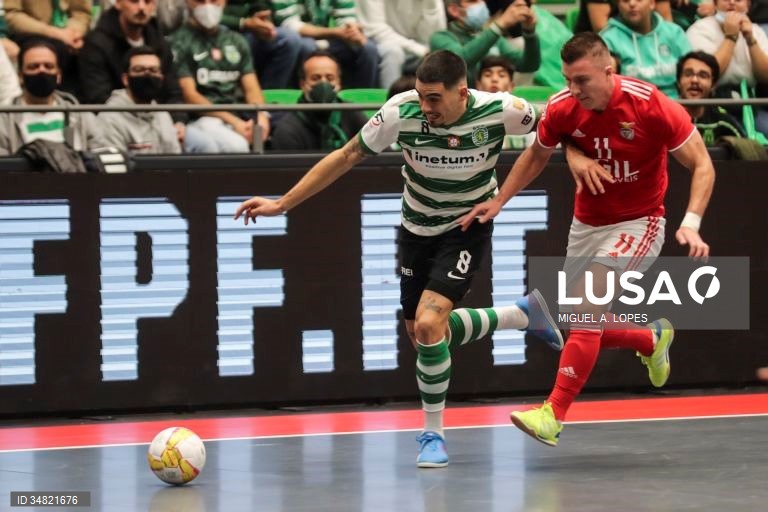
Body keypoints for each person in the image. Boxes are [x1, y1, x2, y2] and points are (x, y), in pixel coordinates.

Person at [234, 49, 564, 468]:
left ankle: (433, 435)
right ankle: (519, 315)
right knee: (423, 335)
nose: (425, 107)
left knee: (429, 325)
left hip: (467, 226)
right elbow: (346, 156)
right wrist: (283, 204)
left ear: (462, 93)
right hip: (416, 230)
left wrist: (581, 159)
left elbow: (560, 128)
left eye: (434, 98)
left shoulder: (503, 110)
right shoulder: (400, 111)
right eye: (421, 96)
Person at [459, 32, 715, 447]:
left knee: (586, 310)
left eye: (582, 80)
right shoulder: (564, 106)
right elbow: (536, 153)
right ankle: (650, 338)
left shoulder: (649, 104)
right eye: (568, 80)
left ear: (608, 71)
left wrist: (692, 221)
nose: (573, 89)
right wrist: (500, 200)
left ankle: (552, 414)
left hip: (639, 222)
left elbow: (702, 163)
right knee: (579, 321)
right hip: (587, 223)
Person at [79, 0, 186, 145]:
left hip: (157, 120)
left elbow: (173, 91)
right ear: (118, 3)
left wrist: (178, 120)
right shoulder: (97, 43)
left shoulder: (159, 41)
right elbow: (98, 96)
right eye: (134, 1)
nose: (141, 7)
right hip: (116, 122)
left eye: (147, 2)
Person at [171, 0, 270, 153]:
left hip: (238, 117)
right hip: (201, 119)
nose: (208, 6)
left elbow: (252, 88)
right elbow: (189, 95)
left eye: (214, 0)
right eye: (200, 1)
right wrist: (233, 121)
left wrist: (260, 117)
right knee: (237, 147)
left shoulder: (236, 40)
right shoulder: (179, 41)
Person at [0, 38, 105, 155]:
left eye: (48, 66)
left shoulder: (82, 116)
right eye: (33, 66)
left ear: (59, 75)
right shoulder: (3, 122)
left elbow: (101, 157)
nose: (41, 71)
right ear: (20, 76)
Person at [271, 51, 368, 151]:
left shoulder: (351, 113)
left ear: (339, 83)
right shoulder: (288, 129)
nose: (323, 83)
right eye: (315, 78)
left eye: (330, 78)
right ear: (302, 84)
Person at [430, 0, 540, 87]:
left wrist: (529, 32)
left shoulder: (491, 37)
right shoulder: (441, 38)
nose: (481, 4)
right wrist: (500, 24)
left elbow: (528, 65)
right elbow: (461, 61)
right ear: (454, 10)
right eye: (473, 1)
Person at [271, 0, 379, 88]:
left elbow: (346, 19)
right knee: (307, 46)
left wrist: (352, 31)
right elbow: (290, 25)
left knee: (368, 48)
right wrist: (335, 32)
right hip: (296, 39)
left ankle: (362, 101)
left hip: (330, 38)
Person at [98, 46, 182, 154]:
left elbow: (175, 158)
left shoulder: (163, 115)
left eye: (153, 70)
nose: (147, 75)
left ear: (161, 78)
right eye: (139, 70)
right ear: (126, 79)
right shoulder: (109, 118)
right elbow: (114, 162)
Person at [600, 0, 691, 97]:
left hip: (677, 102)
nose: (632, 3)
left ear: (652, 3)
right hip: (631, 104)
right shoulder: (607, 40)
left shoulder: (674, 33)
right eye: (625, 0)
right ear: (618, 5)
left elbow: (692, 69)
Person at [356, 0, 446, 89]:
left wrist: (430, 5)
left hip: (416, 49)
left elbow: (432, 36)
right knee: (393, 52)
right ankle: (391, 98)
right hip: (376, 43)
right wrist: (419, 50)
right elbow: (375, 30)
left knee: (439, 56)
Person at [221, 0, 302, 89]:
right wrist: (243, 22)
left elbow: (264, 5)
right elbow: (211, 15)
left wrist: (263, 18)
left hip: (252, 26)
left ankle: (271, 93)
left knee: (291, 40)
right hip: (228, 29)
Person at [677, 50, 746, 144]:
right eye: (688, 74)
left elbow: (747, 149)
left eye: (703, 75)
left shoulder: (723, 122)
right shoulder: (665, 119)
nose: (694, 80)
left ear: (713, 85)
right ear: (679, 82)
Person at [475, 55, 534, 149]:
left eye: (501, 75)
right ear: (478, 85)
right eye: (488, 75)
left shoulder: (525, 116)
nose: (494, 79)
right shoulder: (469, 118)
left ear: (511, 86)